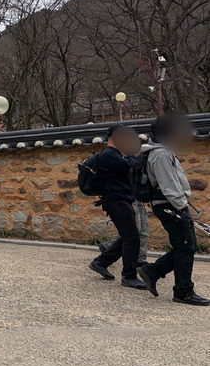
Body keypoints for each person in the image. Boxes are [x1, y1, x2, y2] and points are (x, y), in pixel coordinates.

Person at [137, 114, 209, 306]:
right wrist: (182, 208)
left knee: (185, 246)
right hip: (170, 205)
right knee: (186, 246)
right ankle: (183, 291)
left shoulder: (160, 152)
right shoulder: (161, 154)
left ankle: (153, 271)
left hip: (169, 205)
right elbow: (169, 186)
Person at [88, 125, 146, 289]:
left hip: (122, 199)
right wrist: (131, 156)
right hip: (116, 200)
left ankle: (101, 262)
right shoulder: (108, 155)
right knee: (131, 237)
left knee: (128, 236)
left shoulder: (115, 154)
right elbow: (130, 167)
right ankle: (128, 276)